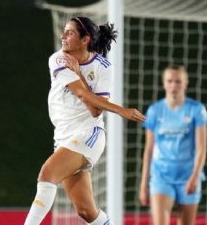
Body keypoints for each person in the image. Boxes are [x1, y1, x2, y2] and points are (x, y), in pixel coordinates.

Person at [24, 16, 146, 225]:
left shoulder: (103, 66)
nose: (63, 36)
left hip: (88, 134)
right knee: (86, 211)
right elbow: (83, 95)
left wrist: (79, 74)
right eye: (64, 31)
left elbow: (95, 111)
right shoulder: (59, 59)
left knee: (47, 174)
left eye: (70, 32)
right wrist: (121, 110)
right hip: (63, 137)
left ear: (85, 40)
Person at [139, 65, 207, 225]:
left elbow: (201, 148)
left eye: (178, 81)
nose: (173, 85)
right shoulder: (154, 111)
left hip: (188, 176)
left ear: (185, 83)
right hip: (161, 176)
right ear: (164, 83)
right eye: (169, 81)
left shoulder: (196, 110)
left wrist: (194, 177)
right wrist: (144, 184)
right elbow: (148, 150)